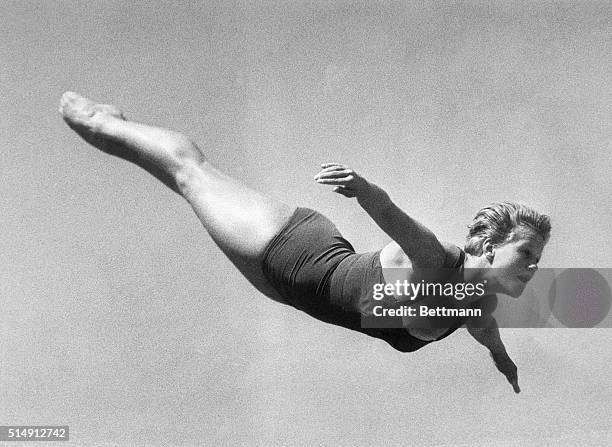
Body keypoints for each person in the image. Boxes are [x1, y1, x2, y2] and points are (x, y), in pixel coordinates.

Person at [59, 92, 551, 393]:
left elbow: (485, 333)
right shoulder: (438, 261)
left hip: (290, 291)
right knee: (191, 173)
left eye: (537, 258)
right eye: (525, 253)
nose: (532, 266)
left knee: (190, 189)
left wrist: (504, 363)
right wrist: (362, 187)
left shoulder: (475, 303)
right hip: (290, 248)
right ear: (489, 248)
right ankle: (101, 122)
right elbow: (393, 216)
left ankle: (123, 130)